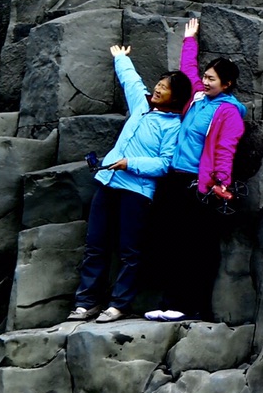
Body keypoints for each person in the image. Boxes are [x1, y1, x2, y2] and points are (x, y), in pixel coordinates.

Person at [68, 46, 189, 324]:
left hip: (137, 192)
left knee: (129, 252)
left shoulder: (173, 125)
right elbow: (131, 81)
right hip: (108, 183)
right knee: (95, 246)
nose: (157, 89)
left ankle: (119, 304)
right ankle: (86, 303)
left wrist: (129, 163)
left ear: (176, 96)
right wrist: (121, 57)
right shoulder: (141, 105)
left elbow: (164, 164)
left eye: (164, 88)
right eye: (158, 84)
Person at [147, 19, 247, 322]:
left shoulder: (228, 111)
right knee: (169, 241)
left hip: (198, 185)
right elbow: (187, 71)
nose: (205, 82)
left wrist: (220, 185)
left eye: (212, 79)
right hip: (173, 178)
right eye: (205, 77)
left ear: (227, 84)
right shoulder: (197, 98)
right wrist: (189, 40)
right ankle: (169, 303)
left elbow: (225, 151)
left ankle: (192, 307)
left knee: (194, 247)